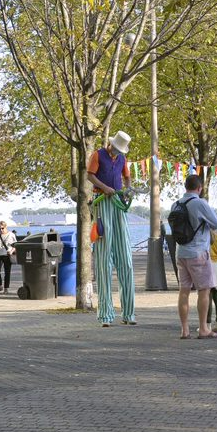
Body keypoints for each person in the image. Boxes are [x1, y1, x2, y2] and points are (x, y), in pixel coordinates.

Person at [86, 131, 136, 326]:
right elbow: (90, 175)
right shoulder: (98, 155)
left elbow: (127, 177)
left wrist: (127, 189)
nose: (117, 153)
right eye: (116, 149)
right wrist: (104, 187)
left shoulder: (122, 158)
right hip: (102, 203)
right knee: (104, 259)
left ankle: (129, 313)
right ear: (112, 145)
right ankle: (105, 314)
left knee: (126, 259)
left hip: (117, 203)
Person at [172, 174, 217, 339]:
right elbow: (216, 223)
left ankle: (184, 330)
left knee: (184, 291)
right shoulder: (200, 203)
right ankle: (203, 328)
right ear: (199, 188)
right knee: (204, 291)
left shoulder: (175, 204)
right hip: (198, 253)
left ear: (185, 187)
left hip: (181, 253)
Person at [0, 221, 17, 294]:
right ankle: (0, 286)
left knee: (7, 272)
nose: (1, 230)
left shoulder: (11, 235)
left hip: (7, 256)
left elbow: (15, 246)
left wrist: (11, 251)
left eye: (2, 228)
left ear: (6, 226)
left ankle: (6, 288)